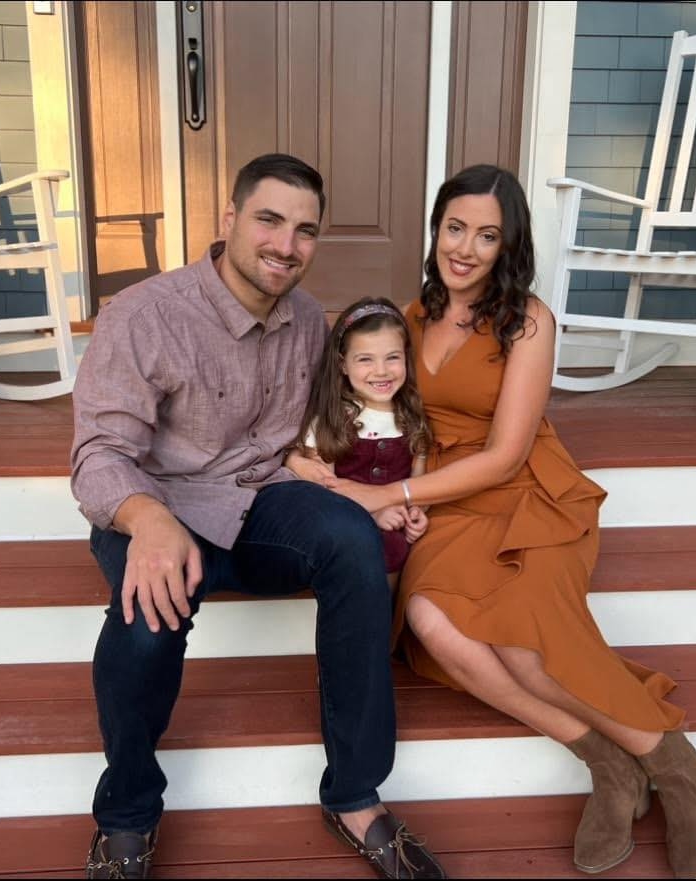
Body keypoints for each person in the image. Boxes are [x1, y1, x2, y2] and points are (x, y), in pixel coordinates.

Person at [293, 165, 696, 880]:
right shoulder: (406, 318)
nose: (464, 248)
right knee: (431, 623)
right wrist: (319, 467)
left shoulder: (527, 320)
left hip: (520, 490)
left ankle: (681, 772)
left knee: (523, 646)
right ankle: (607, 762)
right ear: (435, 230)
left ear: (508, 246)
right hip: (440, 495)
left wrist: (388, 493)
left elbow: (503, 456)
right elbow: (366, 403)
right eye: (454, 228)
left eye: (486, 235)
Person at [69, 153, 445, 881]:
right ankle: (127, 813)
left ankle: (355, 794)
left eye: (305, 231)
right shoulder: (144, 314)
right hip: (163, 503)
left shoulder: (307, 321)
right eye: (269, 220)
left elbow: (335, 421)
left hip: (262, 501)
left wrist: (389, 492)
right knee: (145, 619)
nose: (286, 245)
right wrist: (147, 521)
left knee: (352, 543)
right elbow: (99, 453)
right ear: (230, 219)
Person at [295, 297, 433, 588]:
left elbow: (419, 482)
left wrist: (417, 513)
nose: (381, 371)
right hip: (349, 522)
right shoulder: (331, 418)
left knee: (411, 549)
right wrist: (374, 512)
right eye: (365, 359)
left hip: (399, 524)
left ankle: (394, 613)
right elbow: (323, 487)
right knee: (381, 546)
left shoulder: (412, 417)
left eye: (392, 357)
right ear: (343, 365)